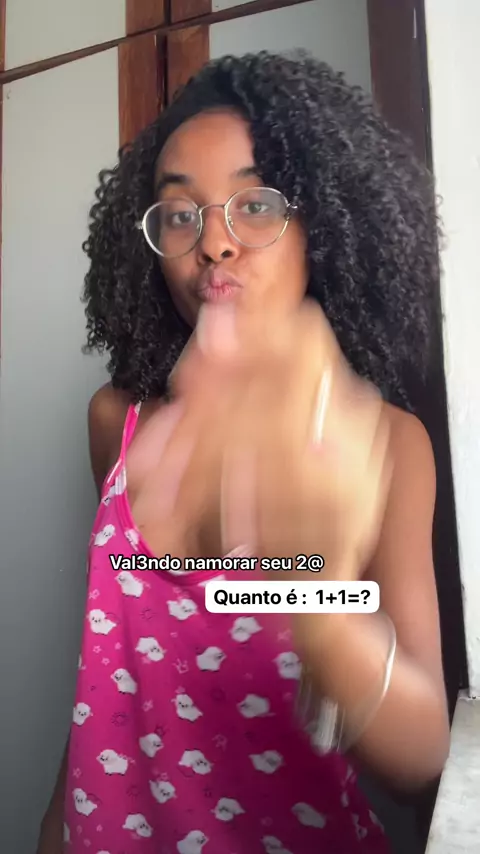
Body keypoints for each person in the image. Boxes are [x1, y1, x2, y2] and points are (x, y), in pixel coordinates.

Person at [37, 51, 450, 854]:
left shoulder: (384, 444)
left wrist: (318, 596)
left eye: (254, 204)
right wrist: (56, 826)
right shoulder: (116, 423)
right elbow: (110, 673)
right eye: (179, 214)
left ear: (323, 224)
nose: (215, 243)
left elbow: (421, 754)